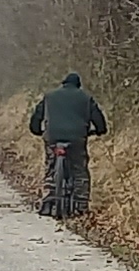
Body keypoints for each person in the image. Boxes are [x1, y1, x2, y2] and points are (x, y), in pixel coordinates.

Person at [26, 72, 106, 218]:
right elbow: (98, 118)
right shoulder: (85, 98)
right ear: (78, 85)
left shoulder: (50, 97)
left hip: (53, 137)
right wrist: (100, 130)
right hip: (77, 139)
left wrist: (37, 130)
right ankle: (81, 206)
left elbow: (37, 116)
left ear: (63, 83)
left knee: (50, 167)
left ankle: (49, 201)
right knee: (79, 170)